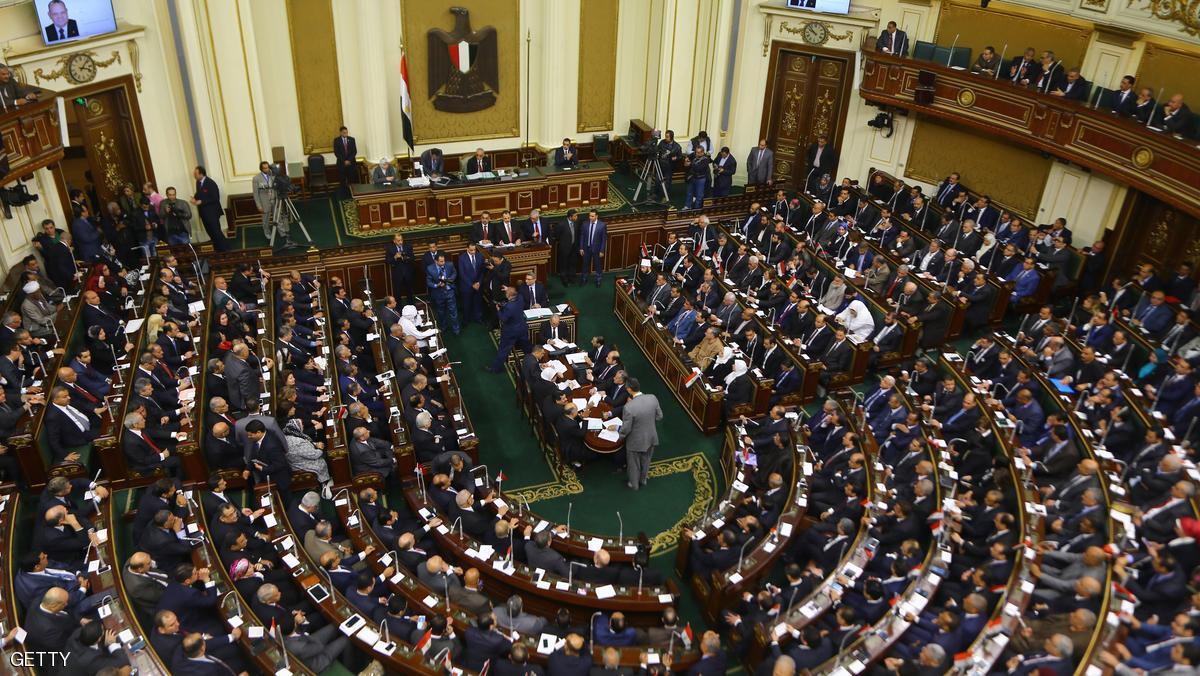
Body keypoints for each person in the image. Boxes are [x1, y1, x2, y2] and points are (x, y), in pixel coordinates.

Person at [617, 377, 662, 491]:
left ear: (629, 389)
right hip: (651, 437)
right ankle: (643, 479)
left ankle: (634, 484)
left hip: (635, 441)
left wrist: (620, 437)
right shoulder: (653, 398)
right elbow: (659, 416)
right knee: (646, 460)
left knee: (633, 464)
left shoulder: (629, 407)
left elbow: (626, 429)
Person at [487, 286, 532, 372]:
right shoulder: (520, 298)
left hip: (511, 332)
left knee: (503, 350)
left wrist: (498, 310)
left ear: (509, 296)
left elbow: (503, 318)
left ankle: (495, 368)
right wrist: (509, 289)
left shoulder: (509, 307)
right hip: (522, 328)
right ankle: (533, 361)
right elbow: (518, 294)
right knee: (527, 347)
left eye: (507, 293)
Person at [190, 166, 230, 251]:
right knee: (210, 232)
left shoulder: (210, 183)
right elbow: (199, 193)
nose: (194, 176)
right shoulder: (198, 182)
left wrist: (201, 201)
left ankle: (225, 250)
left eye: (195, 174)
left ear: (201, 174)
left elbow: (215, 198)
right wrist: (195, 198)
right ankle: (217, 248)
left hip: (212, 213)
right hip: (204, 213)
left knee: (216, 232)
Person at [252, 161, 288, 244]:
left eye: (267, 167)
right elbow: (255, 193)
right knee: (266, 220)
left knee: (278, 218)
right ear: (261, 169)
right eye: (264, 168)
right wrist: (259, 206)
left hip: (274, 200)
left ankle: (282, 232)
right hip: (264, 203)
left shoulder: (272, 175)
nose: (266, 169)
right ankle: (267, 233)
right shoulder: (256, 178)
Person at [426, 253, 460, 335]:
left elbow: (454, 273)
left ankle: (456, 329)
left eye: (444, 261)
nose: (443, 263)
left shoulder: (450, 265)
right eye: (441, 261)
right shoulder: (430, 269)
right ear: (436, 261)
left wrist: (449, 280)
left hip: (449, 292)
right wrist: (436, 285)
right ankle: (443, 328)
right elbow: (428, 282)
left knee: (453, 312)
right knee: (441, 312)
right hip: (438, 294)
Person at [578, 209, 607, 287]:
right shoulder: (585, 224)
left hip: (597, 250)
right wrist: (581, 248)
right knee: (585, 264)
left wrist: (602, 250)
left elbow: (603, 239)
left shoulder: (602, 225)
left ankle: (598, 280)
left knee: (598, 265)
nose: (590, 217)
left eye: (592, 216)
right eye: (589, 216)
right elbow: (582, 236)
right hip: (586, 248)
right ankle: (584, 279)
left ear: (596, 216)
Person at [554, 209, 580, 286]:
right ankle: (564, 279)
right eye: (575, 216)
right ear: (570, 217)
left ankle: (571, 277)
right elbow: (557, 236)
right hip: (564, 248)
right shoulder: (561, 224)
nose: (577, 217)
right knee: (564, 264)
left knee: (572, 263)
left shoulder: (577, 223)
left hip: (574, 247)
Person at [386, 233, 414, 303]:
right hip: (397, 274)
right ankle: (398, 308)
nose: (401, 242)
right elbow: (388, 261)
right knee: (397, 292)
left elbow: (413, 258)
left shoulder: (408, 246)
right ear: (394, 241)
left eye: (401, 240)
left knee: (409, 291)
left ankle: (411, 306)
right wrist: (395, 257)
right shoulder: (390, 249)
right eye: (398, 241)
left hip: (408, 272)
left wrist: (404, 257)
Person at [684, 145, 711, 210]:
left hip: (701, 179)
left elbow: (699, 168)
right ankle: (687, 206)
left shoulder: (706, 160)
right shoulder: (695, 155)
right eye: (696, 152)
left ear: (702, 152)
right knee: (689, 192)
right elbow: (689, 155)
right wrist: (687, 158)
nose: (696, 154)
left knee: (699, 195)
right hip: (693, 177)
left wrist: (690, 164)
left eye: (698, 153)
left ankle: (696, 208)